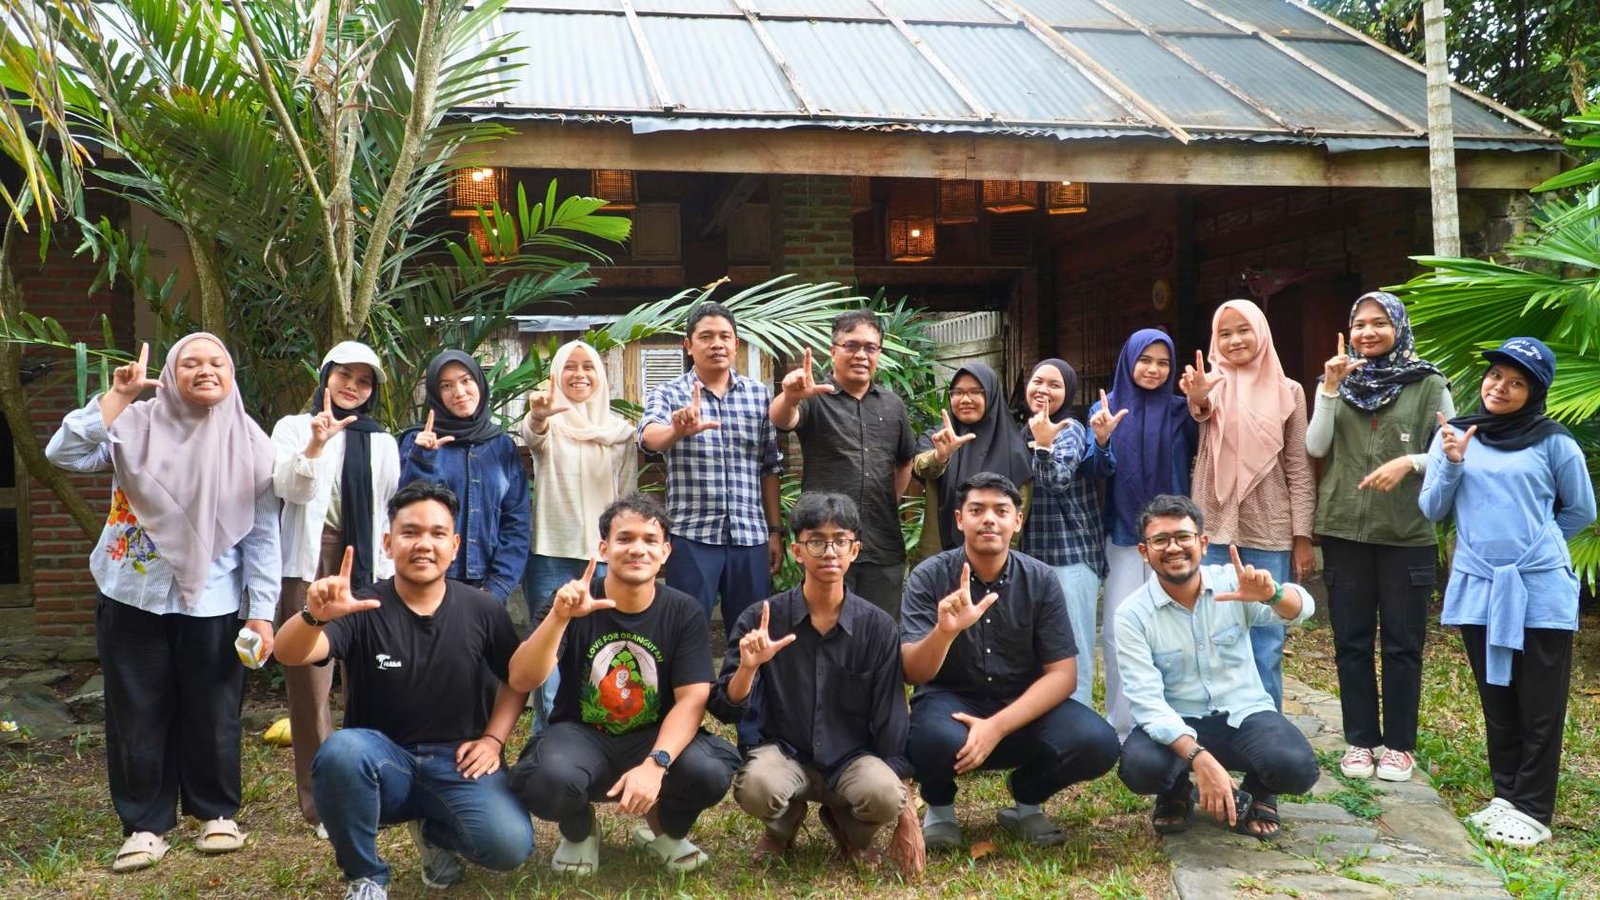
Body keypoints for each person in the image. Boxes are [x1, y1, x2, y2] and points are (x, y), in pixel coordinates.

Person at [45, 335, 280, 872]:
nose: (205, 370)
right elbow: (63, 454)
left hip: (215, 599)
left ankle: (216, 813)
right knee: (135, 711)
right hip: (132, 593)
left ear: (231, 373)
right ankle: (145, 825)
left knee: (214, 710)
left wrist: (262, 611)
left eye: (216, 362)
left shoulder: (252, 442)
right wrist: (117, 398)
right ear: (171, 373)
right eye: (190, 362)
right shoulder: (134, 424)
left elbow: (264, 535)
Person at [273, 481, 533, 899]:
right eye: (410, 532)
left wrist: (493, 739)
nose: (424, 544)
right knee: (341, 752)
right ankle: (366, 878)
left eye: (437, 533)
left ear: (454, 545)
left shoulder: (482, 609)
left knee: (509, 845)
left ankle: (436, 833)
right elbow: (290, 652)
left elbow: (517, 679)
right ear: (389, 543)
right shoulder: (363, 607)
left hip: (458, 761)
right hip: (382, 761)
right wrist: (312, 616)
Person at [1419, 337, 1595, 848]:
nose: (1501, 387)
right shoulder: (1453, 435)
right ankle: (1507, 796)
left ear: (1534, 392)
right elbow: (1432, 509)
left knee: (1539, 703)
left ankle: (1534, 810)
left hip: (1540, 590)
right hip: (1479, 586)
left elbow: (1580, 510)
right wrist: (1452, 462)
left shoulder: (1555, 442)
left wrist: (1537, 551)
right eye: (1496, 375)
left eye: (1517, 382)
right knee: (1497, 697)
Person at [507, 493, 740, 876]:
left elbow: (693, 698)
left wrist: (657, 763)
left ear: (665, 552)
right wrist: (560, 618)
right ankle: (581, 831)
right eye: (625, 538)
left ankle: (663, 829)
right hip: (581, 734)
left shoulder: (683, 611)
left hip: (654, 735)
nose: (637, 549)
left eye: (650, 540)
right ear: (604, 548)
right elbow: (522, 677)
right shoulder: (570, 601)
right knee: (546, 779)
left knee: (709, 771)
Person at [901, 472, 1120, 850]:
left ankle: (1027, 796)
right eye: (977, 510)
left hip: (1022, 704)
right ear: (959, 519)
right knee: (926, 738)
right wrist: (944, 632)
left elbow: (1063, 675)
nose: (989, 519)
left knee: (1097, 743)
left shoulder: (1040, 579)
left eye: (1001, 511)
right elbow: (912, 671)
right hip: (950, 704)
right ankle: (940, 808)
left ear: (1017, 521)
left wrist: (996, 727)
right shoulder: (930, 576)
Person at [710, 493, 924, 876]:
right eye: (816, 541)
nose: (829, 552)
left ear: (854, 550)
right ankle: (782, 826)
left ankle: (850, 827)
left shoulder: (877, 627)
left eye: (840, 541)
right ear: (797, 551)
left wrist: (907, 816)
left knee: (886, 795)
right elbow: (726, 708)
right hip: (785, 752)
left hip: (852, 757)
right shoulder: (761, 619)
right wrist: (748, 668)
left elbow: (891, 719)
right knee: (757, 787)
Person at [1305, 293, 1452, 783]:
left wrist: (1410, 462)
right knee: (1350, 640)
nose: (1368, 333)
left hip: (1407, 533)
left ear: (1399, 328)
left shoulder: (1429, 383)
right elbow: (1316, 446)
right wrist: (1329, 389)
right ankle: (1361, 740)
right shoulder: (1336, 384)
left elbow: (1452, 451)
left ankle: (1400, 747)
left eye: (1379, 323)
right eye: (1359, 324)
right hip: (1345, 528)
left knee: (1403, 643)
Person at [1114, 494, 1320, 841]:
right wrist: (1200, 758)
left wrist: (1272, 594)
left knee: (1295, 768)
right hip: (1177, 719)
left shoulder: (1233, 583)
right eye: (1160, 540)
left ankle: (1260, 789)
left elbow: (1304, 610)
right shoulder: (1132, 615)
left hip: (1244, 714)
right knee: (1140, 767)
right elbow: (1147, 703)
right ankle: (1175, 790)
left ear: (1204, 543)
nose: (1173, 548)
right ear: (1144, 551)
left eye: (1183, 537)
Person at [270, 341, 400, 836]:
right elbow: (289, 490)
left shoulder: (382, 441)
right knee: (310, 685)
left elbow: (387, 509)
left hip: (369, 561)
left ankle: (377, 786)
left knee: (375, 676)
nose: (352, 386)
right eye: (344, 375)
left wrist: (388, 569)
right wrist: (315, 444)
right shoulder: (293, 427)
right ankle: (323, 802)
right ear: (326, 375)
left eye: (364, 381)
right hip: (311, 560)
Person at [1180, 299, 1315, 710]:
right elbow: (1200, 411)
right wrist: (1198, 398)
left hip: (1269, 528)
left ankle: (1267, 729)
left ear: (1262, 333)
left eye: (1244, 330)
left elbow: (1298, 466)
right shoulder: (1209, 386)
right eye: (1224, 333)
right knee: (1211, 633)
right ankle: (1216, 726)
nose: (1235, 340)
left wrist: (1302, 536)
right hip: (1213, 527)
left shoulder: (1289, 392)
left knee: (1266, 640)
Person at [639, 302, 783, 631]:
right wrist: (677, 430)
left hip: (749, 536)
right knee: (684, 630)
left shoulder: (758, 395)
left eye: (724, 336)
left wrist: (774, 531)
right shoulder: (669, 393)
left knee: (750, 633)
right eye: (706, 337)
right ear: (688, 345)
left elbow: (770, 467)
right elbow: (648, 438)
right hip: (692, 536)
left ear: (736, 344)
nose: (716, 344)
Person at [519, 339, 638, 728]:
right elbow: (533, 434)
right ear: (556, 374)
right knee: (547, 653)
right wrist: (539, 416)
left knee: (600, 651)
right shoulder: (550, 425)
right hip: (550, 554)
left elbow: (627, 500)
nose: (579, 374)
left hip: (603, 559)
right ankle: (546, 739)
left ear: (600, 375)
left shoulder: (621, 433)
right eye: (569, 366)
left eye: (588, 366)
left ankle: (596, 734)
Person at [769, 311, 916, 617]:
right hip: (826, 547)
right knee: (826, 627)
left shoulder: (892, 405)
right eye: (851, 346)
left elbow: (905, 461)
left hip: (882, 543)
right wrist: (790, 397)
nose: (861, 355)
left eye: (870, 347)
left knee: (881, 630)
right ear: (833, 350)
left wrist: (888, 499)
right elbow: (783, 420)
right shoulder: (815, 397)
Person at [1092, 329, 1197, 741]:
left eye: (1163, 362)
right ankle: (1122, 724)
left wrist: (1201, 403)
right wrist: (1102, 440)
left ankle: (1172, 721)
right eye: (1145, 360)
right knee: (1119, 629)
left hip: (1173, 538)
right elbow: (1095, 470)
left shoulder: (1181, 411)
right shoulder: (1105, 408)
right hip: (1123, 532)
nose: (1154, 369)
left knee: (1174, 628)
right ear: (1128, 361)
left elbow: (1204, 442)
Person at [1019, 358, 1124, 710]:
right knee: (1038, 649)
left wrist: (1044, 446)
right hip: (1032, 555)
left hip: (1071, 555)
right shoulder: (1022, 431)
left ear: (1068, 393)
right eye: (1038, 381)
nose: (1043, 390)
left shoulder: (1070, 429)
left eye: (1055, 385)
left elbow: (1058, 480)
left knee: (1073, 647)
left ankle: (1078, 723)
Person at [398, 350, 530, 603]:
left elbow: (516, 522)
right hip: (427, 580)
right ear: (436, 394)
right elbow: (405, 513)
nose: (459, 392)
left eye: (466, 380)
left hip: (487, 584)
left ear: (479, 383)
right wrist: (422, 458)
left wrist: (498, 587)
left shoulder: (502, 446)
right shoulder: (419, 441)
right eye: (446, 386)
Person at [911, 363, 1032, 560]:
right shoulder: (938, 436)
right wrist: (940, 456)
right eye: (957, 392)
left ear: (991, 395)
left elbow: (1021, 506)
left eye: (975, 392)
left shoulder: (1013, 447)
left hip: (994, 558)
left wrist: (998, 556)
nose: (965, 399)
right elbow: (921, 467)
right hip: (941, 557)